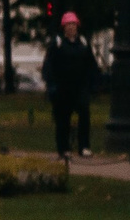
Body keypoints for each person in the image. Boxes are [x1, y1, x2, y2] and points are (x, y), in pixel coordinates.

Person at [42, 11, 98, 157]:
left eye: (73, 24)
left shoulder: (83, 44)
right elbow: (48, 65)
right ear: (64, 27)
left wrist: (93, 83)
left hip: (80, 87)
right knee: (63, 119)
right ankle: (64, 148)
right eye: (68, 25)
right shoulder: (58, 44)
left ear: (77, 26)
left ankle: (84, 146)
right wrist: (52, 85)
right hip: (63, 88)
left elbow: (91, 65)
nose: (71, 27)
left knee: (84, 115)